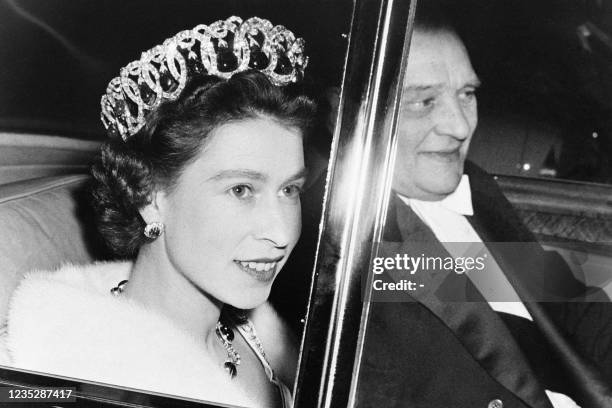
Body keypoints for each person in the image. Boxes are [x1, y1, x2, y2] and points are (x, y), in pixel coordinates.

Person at [0, 16, 316, 408]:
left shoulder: (257, 334)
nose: (281, 233)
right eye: (241, 190)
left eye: (289, 189)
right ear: (149, 196)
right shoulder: (75, 377)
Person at [357, 6, 612, 408]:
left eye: (467, 94)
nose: (460, 126)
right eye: (423, 102)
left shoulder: (474, 187)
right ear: (354, 111)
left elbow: (567, 299)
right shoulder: (346, 247)